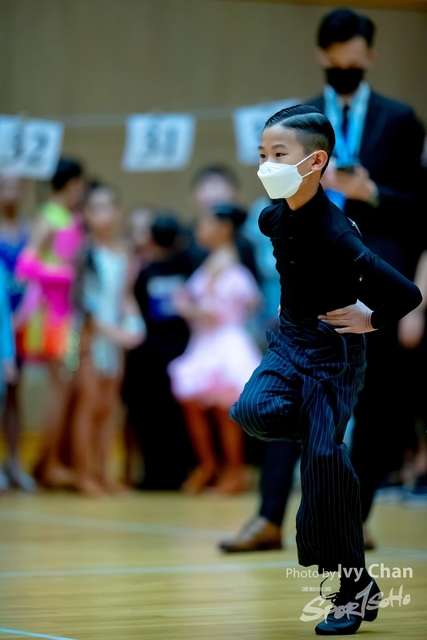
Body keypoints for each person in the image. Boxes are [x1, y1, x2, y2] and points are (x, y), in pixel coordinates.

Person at [220, 7, 425, 554]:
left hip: (374, 269)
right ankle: (268, 516)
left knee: (376, 405)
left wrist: (370, 193)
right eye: (335, 59)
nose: (344, 67)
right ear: (321, 57)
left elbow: (420, 207)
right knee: (287, 397)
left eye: (353, 59)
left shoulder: (400, 119)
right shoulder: (298, 119)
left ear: (370, 57)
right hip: (309, 288)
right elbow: (275, 203)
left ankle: (353, 517)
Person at [229, 104, 421, 635]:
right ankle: (324, 443)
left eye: (279, 155)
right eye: (263, 154)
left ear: (315, 162)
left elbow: (406, 294)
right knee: (251, 411)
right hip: (289, 341)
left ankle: (353, 590)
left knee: (321, 466)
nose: (266, 165)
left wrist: (369, 319)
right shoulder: (272, 218)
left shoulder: (337, 233)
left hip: (333, 355)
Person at [168, 204, 262, 495]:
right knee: (196, 404)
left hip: (225, 342)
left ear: (223, 229)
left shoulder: (228, 266)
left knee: (225, 409)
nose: (200, 229)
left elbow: (229, 307)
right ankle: (210, 465)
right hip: (205, 342)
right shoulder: (213, 263)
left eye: (206, 224)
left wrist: (190, 308)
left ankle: (234, 470)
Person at [15, 157, 86, 489]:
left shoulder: (68, 217)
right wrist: (64, 273)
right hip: (50, 315)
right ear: (73, 183)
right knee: (61, 386)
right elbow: (26, 265)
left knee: (67, 385)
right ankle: (48, 463)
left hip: (66, 313)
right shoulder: (49, 217)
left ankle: (52, 461)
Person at [70, 182, 145, 495]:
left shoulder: (125, 251)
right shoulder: (83, 253)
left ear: (118, 211)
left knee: (108, 408)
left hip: (114, 340)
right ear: (86, 215)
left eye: (109, 207)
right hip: (88, 339)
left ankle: (104, 474)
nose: (104, 214)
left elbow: (125, 296)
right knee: (89, 406)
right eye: (96, 208)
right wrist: (116, 334)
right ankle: (85, 474)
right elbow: (84, 307)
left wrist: (134, 324)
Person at [121, 214, 201, 490]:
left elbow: (134, 307)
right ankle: (179, 473)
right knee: (177, 417)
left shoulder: (144, 272)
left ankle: (153, 476)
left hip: (150, 355)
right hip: (181, 351)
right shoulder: (190, 267)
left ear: (152, 239)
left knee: (151, 417)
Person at [0, 174, 35, 491]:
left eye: (15, 186)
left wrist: (23, 315)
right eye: (4, 186)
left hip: (22, 324)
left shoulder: (32, 232)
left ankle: (14, 462)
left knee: (14, 394)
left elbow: (36, 278)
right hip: (2, 323)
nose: (10, 193)